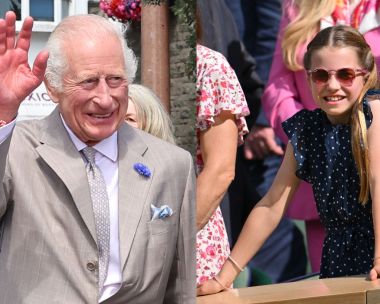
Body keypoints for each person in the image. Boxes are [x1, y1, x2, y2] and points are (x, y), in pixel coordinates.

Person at [0, 11, 196, 303]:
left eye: (116, 79)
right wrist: (2, 114)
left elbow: (179, 289)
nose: (105, 98)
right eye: (89, 81)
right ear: (53, 88)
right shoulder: (15, 148)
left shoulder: (172, 164)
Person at [197, 24, 380, 295]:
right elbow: (271, 205)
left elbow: (378, 182)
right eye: (321, 75)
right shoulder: (307, 130)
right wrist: (225, 275)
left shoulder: (374, 113)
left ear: (365, 76)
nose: (332, 85)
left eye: (345, 75)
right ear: (307, 79)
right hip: (338, 261)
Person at [262, 0, 380, 272]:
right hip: (321, 182)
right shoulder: (298, 6)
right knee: (329, 288)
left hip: (375, 148)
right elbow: (278, 88)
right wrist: (311, 138)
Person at [195, 42, 249, 286]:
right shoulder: (112, 61)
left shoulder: (207, 65)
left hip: (189, 233)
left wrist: (166, 240)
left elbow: (220, 170)